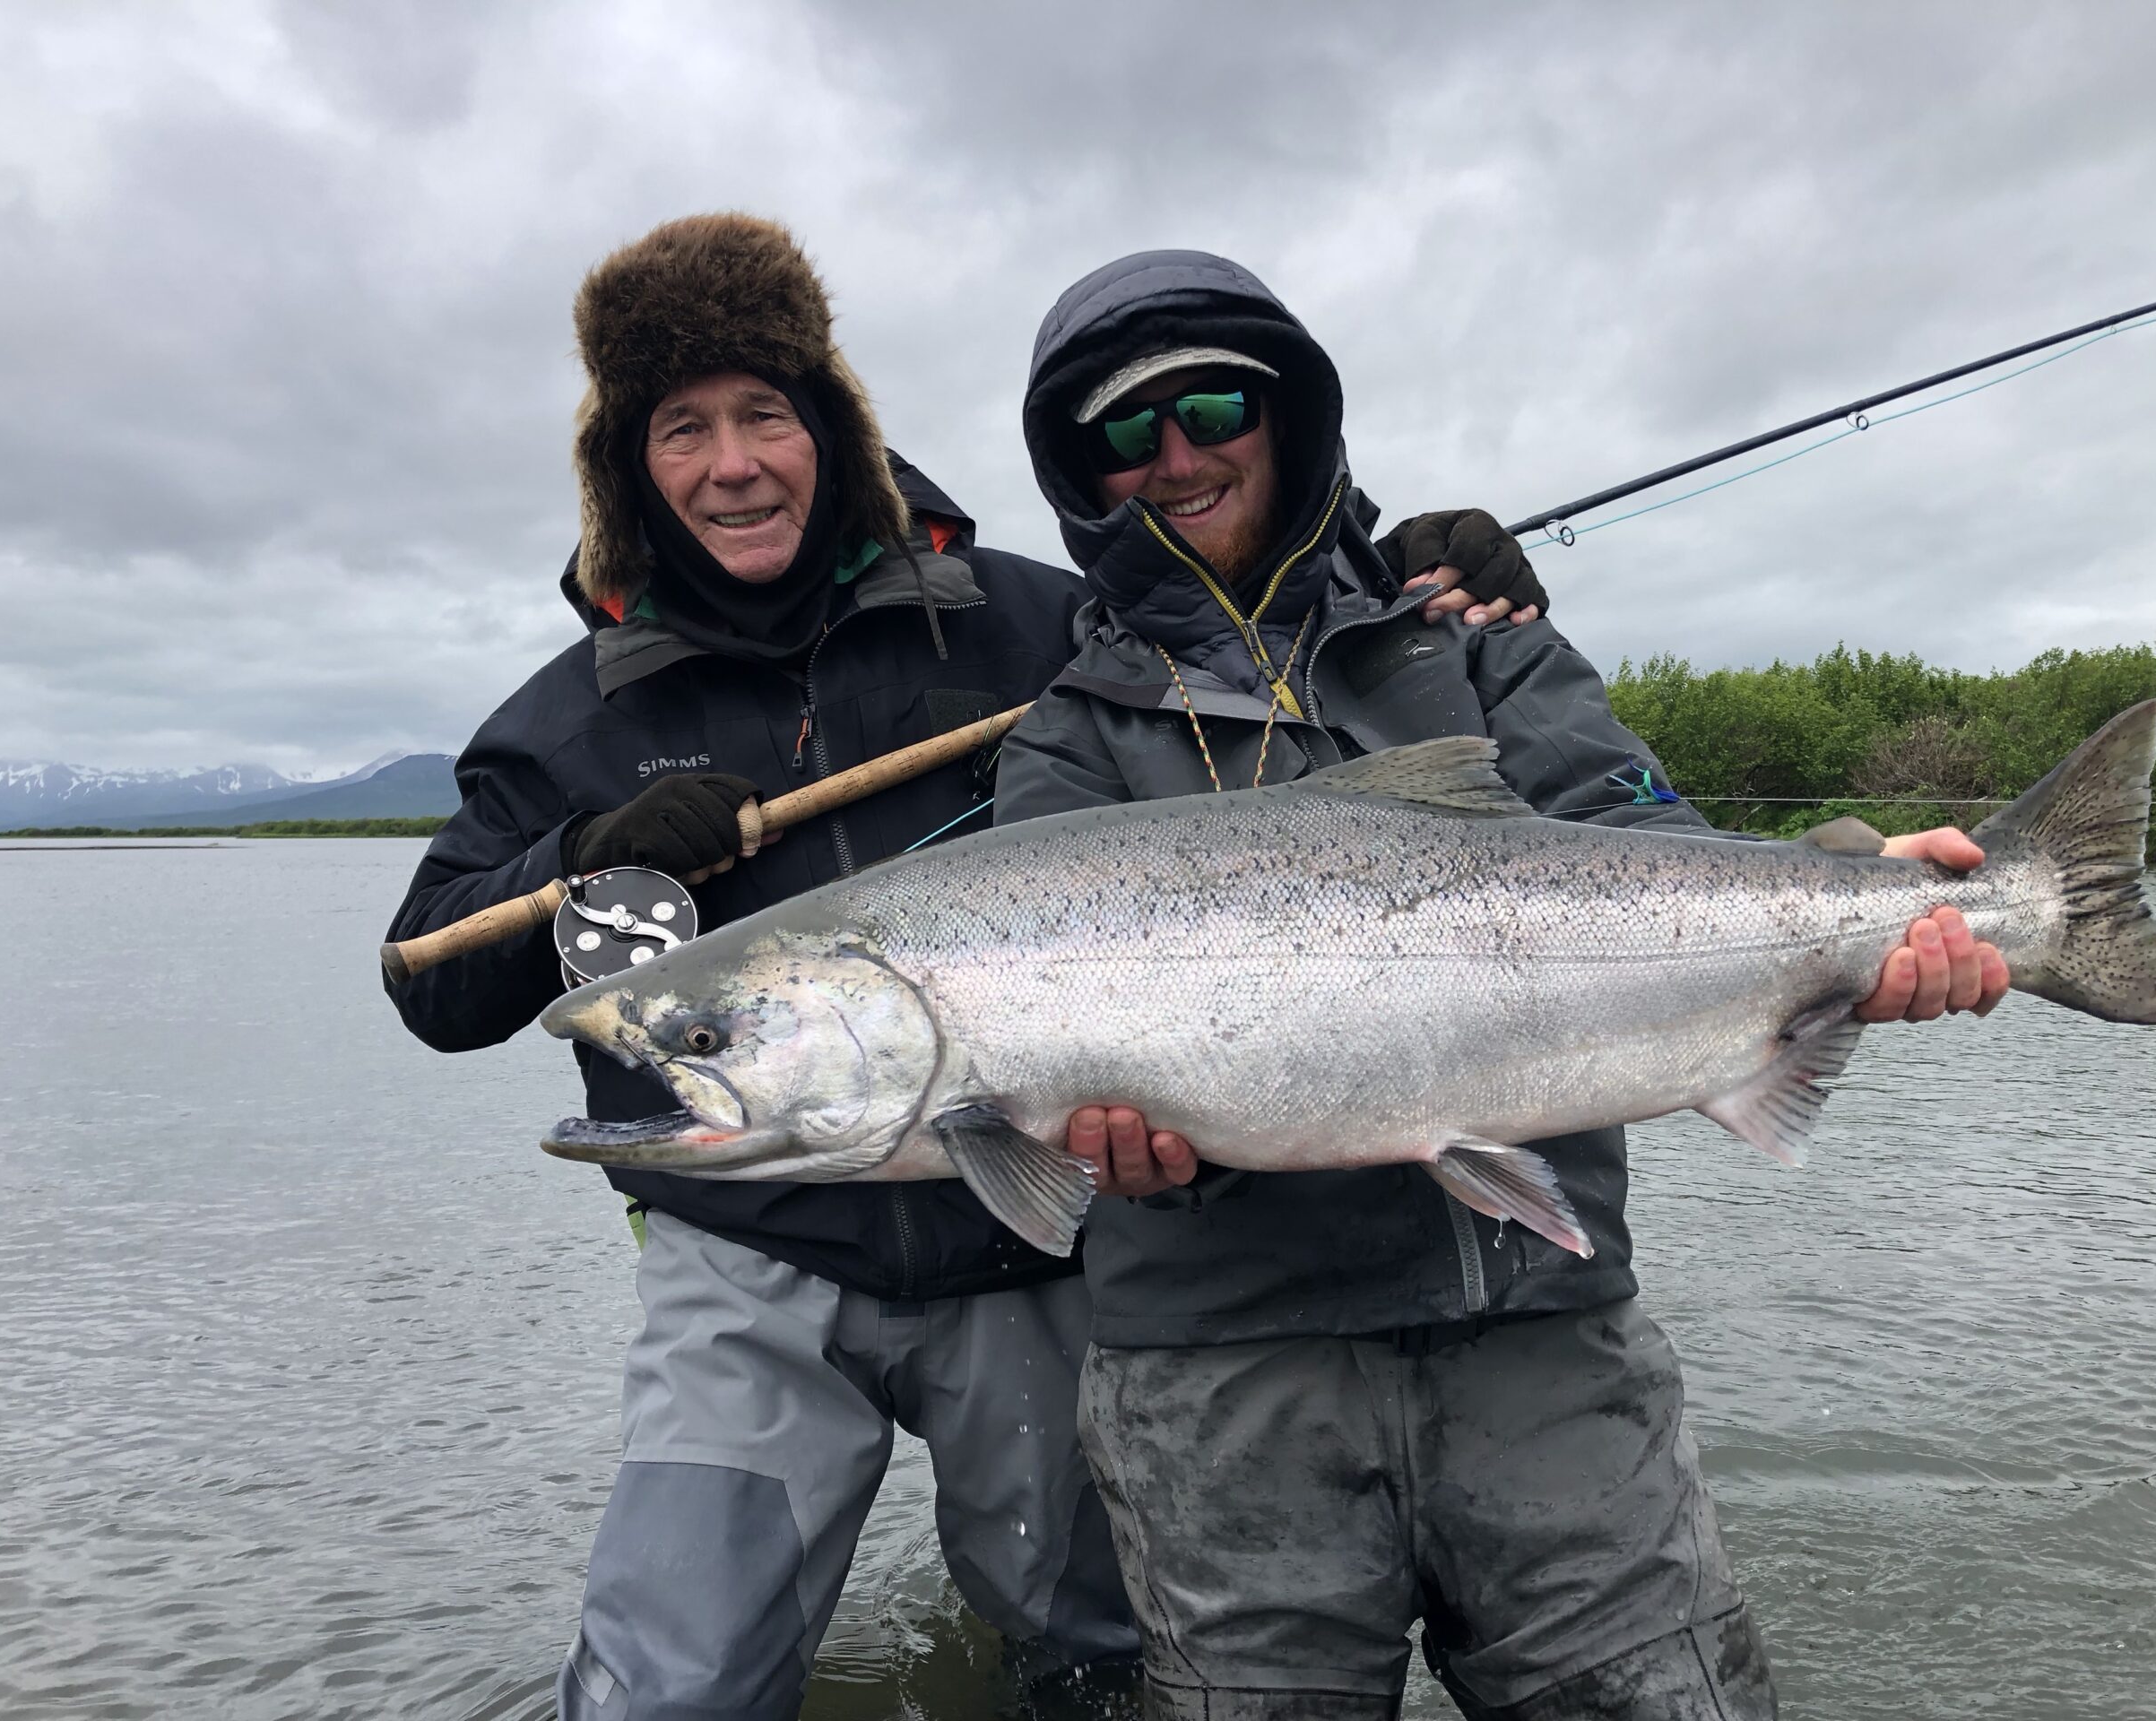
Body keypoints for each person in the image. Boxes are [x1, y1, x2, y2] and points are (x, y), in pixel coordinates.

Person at [382, 215, 1537, 1721]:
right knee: (668, 1690)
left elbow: (1249, 628)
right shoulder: (562, 726)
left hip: (1035, 1242)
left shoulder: (1033, 624)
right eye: (684, 428)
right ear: (628, 466)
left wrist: (1400, 557)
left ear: (832, 432)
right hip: (750, 1254)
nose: (733, 463)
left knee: (1112, 1669)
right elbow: (434, 988)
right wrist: (581, 859)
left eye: (765, 414)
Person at [993, 248, 2009, 1720]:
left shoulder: (1474, 644)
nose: (1177, 455)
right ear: (1080, 477)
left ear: (1287, 413)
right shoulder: (1063, 745)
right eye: (1123, 434)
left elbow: (1645, 843)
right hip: (1222, 1384)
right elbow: (1037, 1103)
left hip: (1545, 1332)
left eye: (1211, 403)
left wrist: (1854, 897)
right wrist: (1101, 1156)